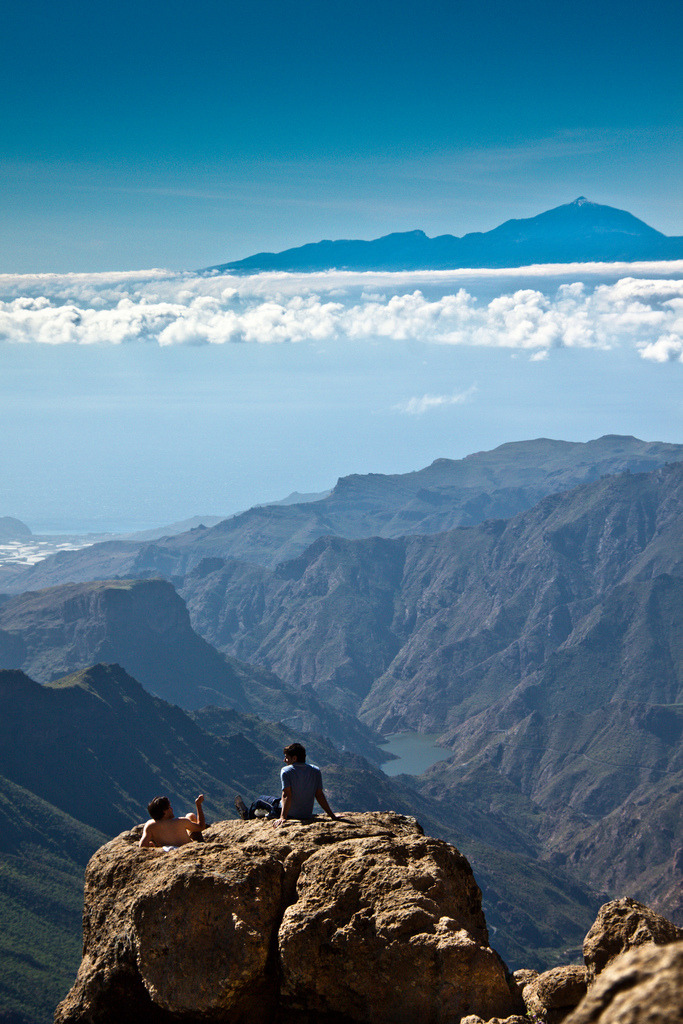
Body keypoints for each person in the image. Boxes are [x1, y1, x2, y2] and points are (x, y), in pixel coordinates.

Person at [234, 742, 337, 827]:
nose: (284, 760)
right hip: (306, 814)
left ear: (294, 758)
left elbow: (287, 795)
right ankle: (266, 814)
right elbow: (319, 795)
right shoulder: (315, 770)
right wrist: (332, 816)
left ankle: (246, 815)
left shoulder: (287, 771)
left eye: (286, 757)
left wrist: (283, 817)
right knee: (276, 800)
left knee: (260, 800)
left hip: (289, 814)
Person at [139, 793, 207, 848]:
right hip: (188, 847)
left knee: (190, 816)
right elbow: (201, 827)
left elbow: (142, 845)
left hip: (169, 850)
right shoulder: (181, 821)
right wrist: (198, 804)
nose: (171, 809)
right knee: (191, 815)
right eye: (169, 807)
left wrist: (152, 846)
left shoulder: (150, 825)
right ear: (164, 811)